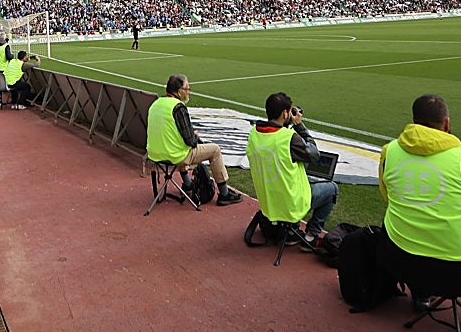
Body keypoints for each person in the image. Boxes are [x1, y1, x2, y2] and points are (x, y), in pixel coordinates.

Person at [377, 94, 461, 332]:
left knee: (404, 224)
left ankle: (421, 293)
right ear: (447, 124)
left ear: (414, 121)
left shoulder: (389, 152)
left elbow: (388, 198)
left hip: (401, 260)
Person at [245, 92, 338, 244]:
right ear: (285, 113)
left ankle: (288, 228)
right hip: (290, 203)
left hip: (269, 201)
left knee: (303, 178)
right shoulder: (289, 138)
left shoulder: (254, 134)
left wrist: (286, 123)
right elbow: (314, 154)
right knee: (332, 189)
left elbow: (274, 140)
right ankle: (311, 236)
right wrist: (299, 125)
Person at [145, 74, 242, 206]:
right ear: (179, 92)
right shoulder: (178, 107)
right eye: (188, 89)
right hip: (174, 155)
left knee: (177, 146)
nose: (189, 92)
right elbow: (190, 141)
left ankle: (188, 184)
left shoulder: (155, 104)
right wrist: (195, 135)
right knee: (215, 150)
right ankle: (224, 193)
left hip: (155, 153)